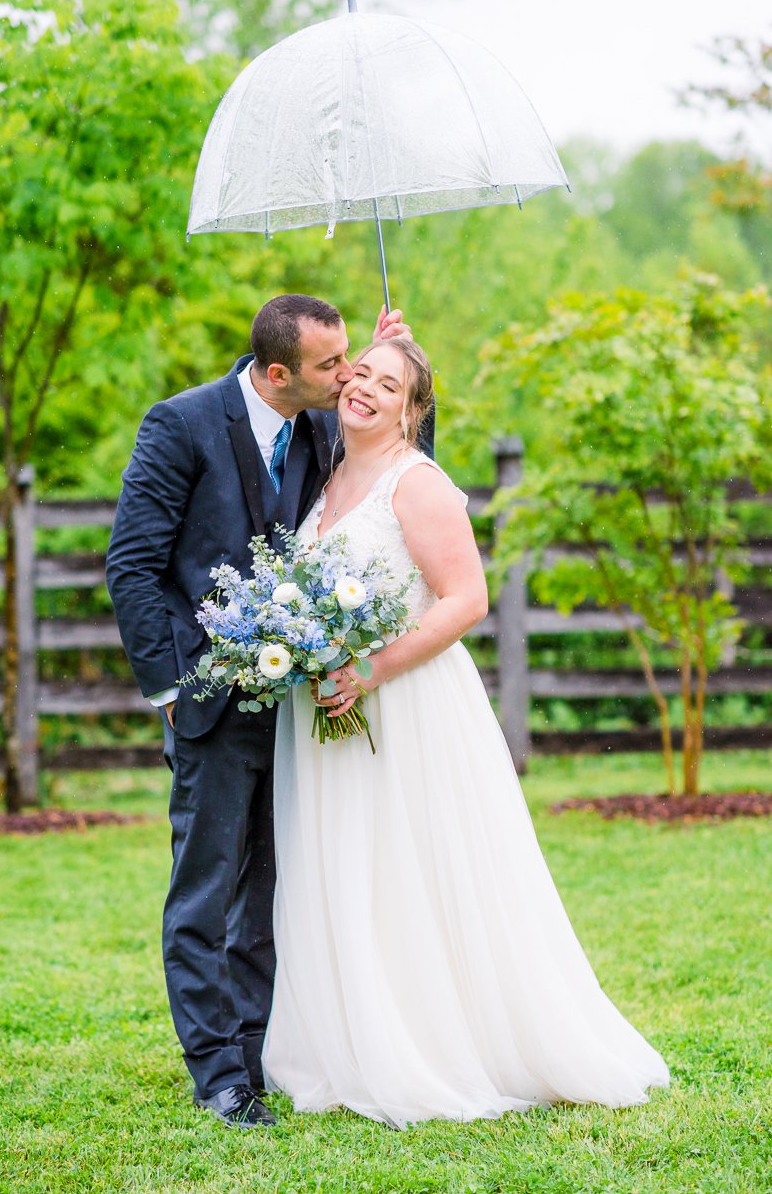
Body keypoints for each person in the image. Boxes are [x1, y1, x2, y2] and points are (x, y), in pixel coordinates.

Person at [262, 337, 670, 1128]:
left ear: (414, 412)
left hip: (406, 705)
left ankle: (438, 1043)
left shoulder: (417, 483)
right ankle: (354, 1039)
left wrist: (372, 668)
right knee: (350, 867)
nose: (366, 392)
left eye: (390, 385)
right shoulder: (328, 476)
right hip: (328, 710)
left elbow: (464, 598)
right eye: (360, 375)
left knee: (415, 867)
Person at [106, 295, 422, 1130]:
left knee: (275, 885)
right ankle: (214, 1071)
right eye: (333, 364)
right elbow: (132, 566)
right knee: (206, 888)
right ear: (278, 372)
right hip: (206, 702)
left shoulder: (323, 425)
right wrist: (170, 690)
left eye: (351, 356)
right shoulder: (177, 426)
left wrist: (401, 360)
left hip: (298, 707)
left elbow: (402, 467)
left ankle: (254, 1050)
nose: (347, 372)